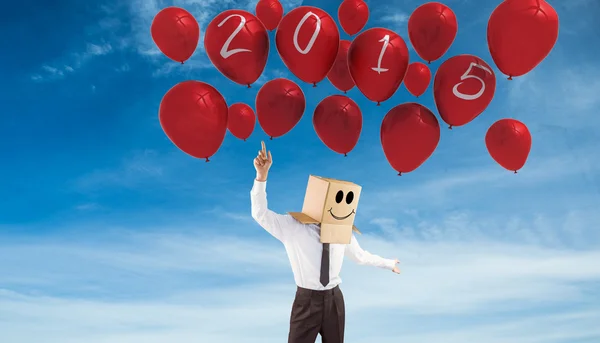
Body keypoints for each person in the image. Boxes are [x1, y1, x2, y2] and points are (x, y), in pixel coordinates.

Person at [250, 141, 400, 343]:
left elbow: (360, 256)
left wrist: (389, 263)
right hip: (306, 302)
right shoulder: (293, 227)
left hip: (334, 300)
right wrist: (261, 178)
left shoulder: (341, 230)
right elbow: (260, 214)